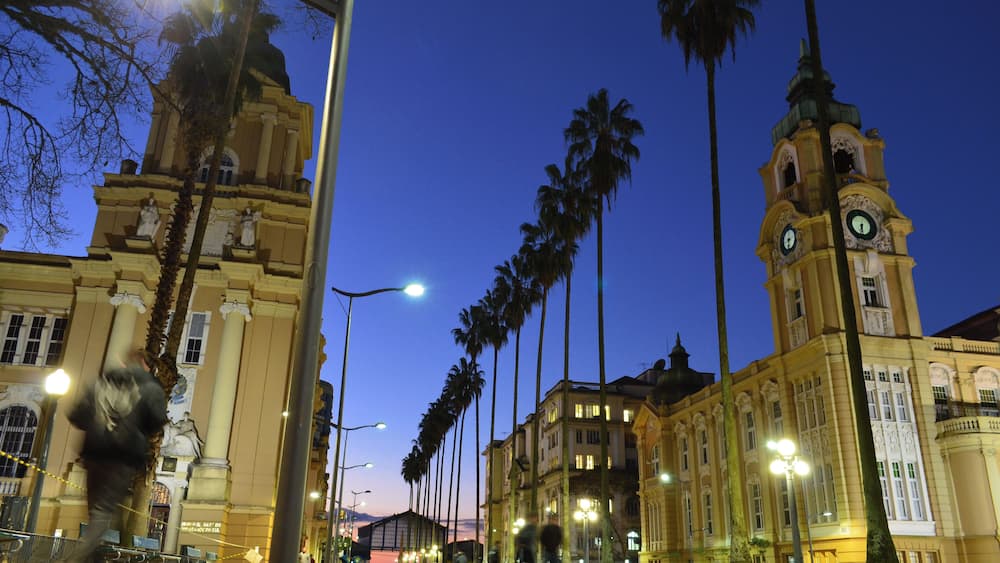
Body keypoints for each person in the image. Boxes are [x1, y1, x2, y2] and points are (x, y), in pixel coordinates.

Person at [66, 350, 168, 562]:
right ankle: (77, 557)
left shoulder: (101, 383)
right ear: (146, 365)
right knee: (106, 509)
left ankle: (91, 557)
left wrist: (100, 426)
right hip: (123, 456)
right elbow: (156, 421)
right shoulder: (150, 387)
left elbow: (76, 416)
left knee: (99, 510)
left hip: (94, 455)